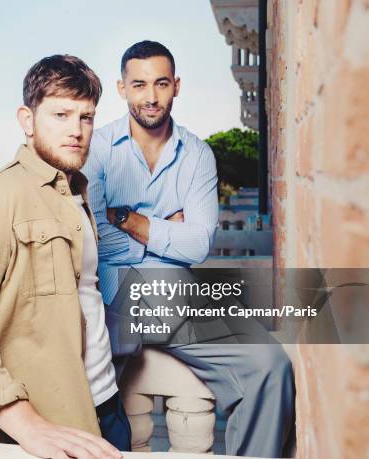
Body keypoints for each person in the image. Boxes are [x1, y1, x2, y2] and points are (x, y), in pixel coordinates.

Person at [82, 40, 295, 457]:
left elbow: (198, 245)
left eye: (161, 83)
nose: (151, 96)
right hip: (108, 297)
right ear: (122, 89)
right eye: (139, 84)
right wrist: (164, 233)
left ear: (176, 86)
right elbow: (96, 240)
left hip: (172, 293)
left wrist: (128, 219)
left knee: (270, 367)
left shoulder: (196, 154)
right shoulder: (96, 149)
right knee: (91, 414)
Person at [0, 54, 129, 459]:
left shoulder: (78, 191)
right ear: (27, 119)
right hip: (54, 424)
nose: (76, 130)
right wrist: (27, 423)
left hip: (108, 404)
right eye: (60, 114)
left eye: (86, 117)